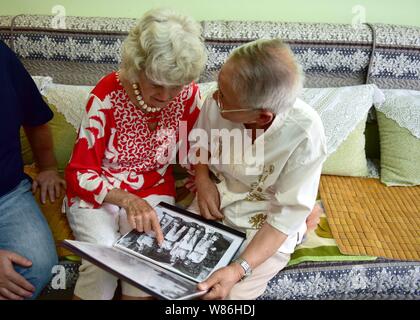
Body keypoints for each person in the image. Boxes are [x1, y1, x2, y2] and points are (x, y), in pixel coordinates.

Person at [64, 8, 207, 300]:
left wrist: (204, 183)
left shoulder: (190, 95)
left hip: (154, 188)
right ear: (137, 67)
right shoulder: (106, 94)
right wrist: (128, 200)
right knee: (102, 260)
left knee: (143, 265)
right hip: (100, 191)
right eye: (156, 84)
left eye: (175, 86)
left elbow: (197, 153)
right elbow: (80, 172)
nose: (166, 96)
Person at [189, 38, 327, 300]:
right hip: (218, 199)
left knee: (224, 296)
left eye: (223, 96)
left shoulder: (305, 134)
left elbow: (283, 217)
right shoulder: (216, 101)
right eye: (219, 86)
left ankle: (307, 219)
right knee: (174, 275)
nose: (214, 97)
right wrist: (202, 178)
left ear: (262, 117)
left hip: (267, 221)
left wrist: (238, 269)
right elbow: (200, 140)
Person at [0, 40, 62, 300]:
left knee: (35, 266)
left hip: (8, 193)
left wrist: (48, 167)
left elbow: (35, 118)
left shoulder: (2, 57)